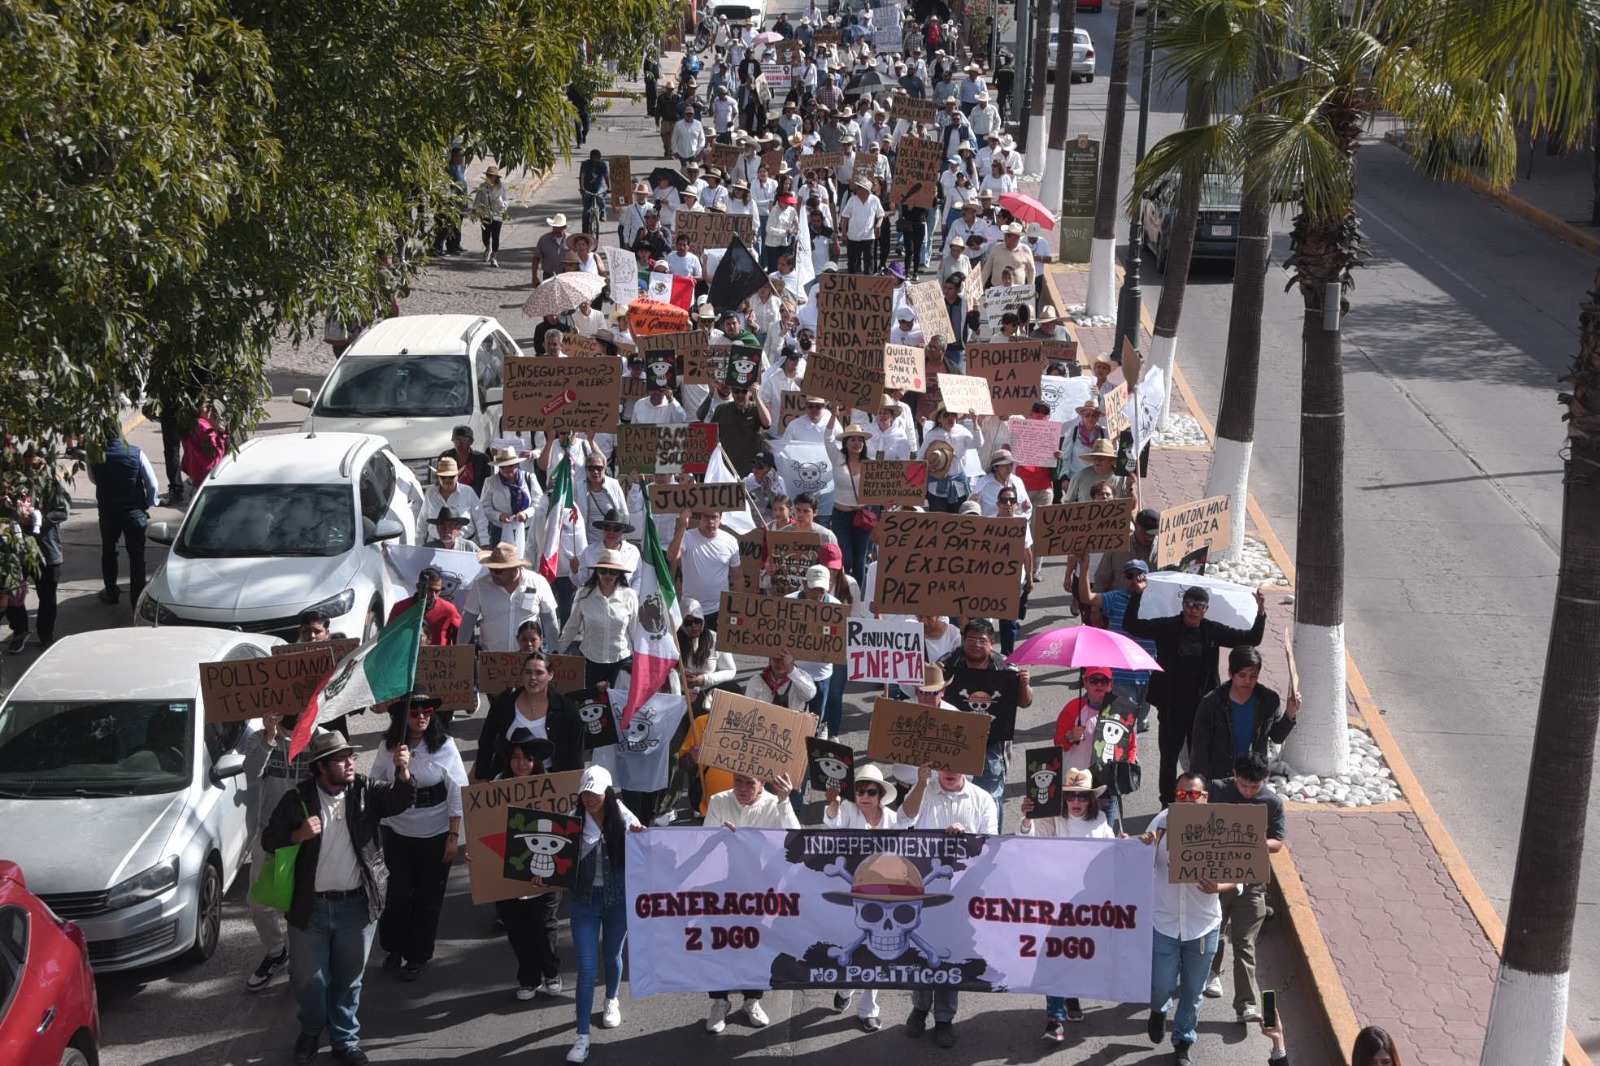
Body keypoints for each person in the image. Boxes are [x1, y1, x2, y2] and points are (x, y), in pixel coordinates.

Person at [261, 731, 416, 1066]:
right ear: (320, 767)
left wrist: (403, 773)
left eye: (350, 756)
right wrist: (296, 834)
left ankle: (345, 1039)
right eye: (340, 758)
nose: (350, 763)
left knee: (348, 980)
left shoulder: (366, 790)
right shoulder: (297, 799)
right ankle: (312, 1030)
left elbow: (400, 800)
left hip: (357, 906)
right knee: (308, 980)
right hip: (310, 909)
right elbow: (268, 840)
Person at [1124, 584, 1267, 806]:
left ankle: (1198, 803)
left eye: (1198, 606)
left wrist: (1260, 612)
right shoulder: (1168, 626)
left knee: (1199, 762)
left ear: (1205, 609)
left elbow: (1252, 638)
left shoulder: (1212, 630)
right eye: (1189, 605)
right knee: (1168, 760)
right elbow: (1131, 625)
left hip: (1203, 710)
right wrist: (1137, 594)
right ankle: (1168, 804)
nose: (1193, 610)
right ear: (1183, 606)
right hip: (1171, 708)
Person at [1140, 770, 1237, 1066]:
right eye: (1182, 795)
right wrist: (1144, 846)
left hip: (1202, 926)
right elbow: (1142, 865)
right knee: (1160, 985)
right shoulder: (1161, 823)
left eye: (1194, 794)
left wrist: (1218, 887)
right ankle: (1158, 1009)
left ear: (1205, 797)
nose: (1187, 800)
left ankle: (1183, 1040)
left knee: (1194, 992)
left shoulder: (1220, 827)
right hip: (1164, 923)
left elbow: (1240, 873)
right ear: (1175, 797)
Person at [899, 763, 998, 1048]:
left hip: (961, 893)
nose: (950, 771)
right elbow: (902, 822)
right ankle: (919, 1008)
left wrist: (965, 838)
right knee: (919, 952)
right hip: (923, 891)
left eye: (957, 765)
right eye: (943, 766)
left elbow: (990, 844)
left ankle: (944, 1019)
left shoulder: (983, 799)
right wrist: (919, 784)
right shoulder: (924, 792)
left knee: (948, 955)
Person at [370, 692, 467, 982]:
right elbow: (374, 785)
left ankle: (417, 955)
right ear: (403, 716)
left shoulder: (444, 747)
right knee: (396, 896)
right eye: (415, 712)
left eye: (427, 711)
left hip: (434, 833)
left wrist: (453, 835)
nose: (422, 716)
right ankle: (393, 949)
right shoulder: (388, 748)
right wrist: (400, 770)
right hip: (397, 831)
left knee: (428, 897)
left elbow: (457, 790)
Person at [558, 766, 644, 1063]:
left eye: (594, 793)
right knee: (586, 967)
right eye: (585, 793)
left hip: (617, 902)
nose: (589, 799)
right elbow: (550, 859)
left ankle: (611, 1000)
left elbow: (646, 848)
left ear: (607, 792)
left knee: (612, 955)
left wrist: (639, 835)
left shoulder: (622, 815)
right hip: (584, 904)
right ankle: (582, 1037)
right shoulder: (571, 821)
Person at [1018, 767, 1111, 1038]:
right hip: (1055, 902)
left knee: (1080, 954)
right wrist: (1026, 817)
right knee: (1055, 955)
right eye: (1071, 796)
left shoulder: (1101, 820)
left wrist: (1128, 845)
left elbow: (1112, 855)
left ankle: (1071, 996)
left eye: (1082, 797)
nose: (1077, 802)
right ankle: (1054, 1017)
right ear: (1064, 798)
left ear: (1091, 799)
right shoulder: (1050, 820)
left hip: (1086, 905)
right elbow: (1026, 841)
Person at [704, 771, 799, 1033]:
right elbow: (702, 839)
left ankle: (752, 1000)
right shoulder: (719, 801)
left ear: (762, 785)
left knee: (755, 944)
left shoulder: (774, 804)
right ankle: (719, 1002)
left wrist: (785, 800)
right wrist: (719, 836)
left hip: (759, 890)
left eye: (749, 783)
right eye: (738, 781)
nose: (742, 788)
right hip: (722, 888)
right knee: (720, 943)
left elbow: (795, 837)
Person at [476, 728, 566, 1000]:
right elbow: (481, 829)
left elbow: (565, 829)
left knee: (544, 925)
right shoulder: (494, 788)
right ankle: (528, 977)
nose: (521, 763)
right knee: (516, 928)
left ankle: (551, 971)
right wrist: (476, 858)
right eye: (515, 757)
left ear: (536, 761)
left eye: (527, 758)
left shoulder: (551, 789)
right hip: (507, 875)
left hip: (545, 873)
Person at [240, 710, 322, 993]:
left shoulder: (319, 736)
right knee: (259, 903)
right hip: (271, 834)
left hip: (309, 833)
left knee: (307, 900)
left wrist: (310, 738)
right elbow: (251, 774)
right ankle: (277, 952)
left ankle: (309, 959)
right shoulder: (258, 739)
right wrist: (270, 737)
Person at [1203, 752, 1287, 1022]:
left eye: (1255, 786)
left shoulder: (1272, 803)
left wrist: (1254, 841)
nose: (1249, 791)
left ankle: (1245, 1005)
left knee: (1245, 942)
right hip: (1217, 875)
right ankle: (1211, 974)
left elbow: (1277, 843)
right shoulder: (1216, 789)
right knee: (1214, 931)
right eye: (1243, 785)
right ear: (1234, 776)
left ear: (1265, 781)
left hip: (1251, 882)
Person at [821, 763, 900, 1031]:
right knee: (851, 946)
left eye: (870, 792)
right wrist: (833, 803)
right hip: (850, 891)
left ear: (880, 795)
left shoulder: (891, 819)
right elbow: (832, 823)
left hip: (884, 895)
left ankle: (869, 1009)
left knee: (878, 951)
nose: (864, 797)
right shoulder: (848, 810)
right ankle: (845, 989)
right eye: (860, 791)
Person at [939, 619, 1033, 826]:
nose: (976, 644)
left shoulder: (1007, 667)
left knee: (989, 800)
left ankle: (991, 847)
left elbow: (1025, 702)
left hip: (992, 746)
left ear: (992, 642)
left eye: (982, 640)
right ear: (963, 641)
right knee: (953, 796)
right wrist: (934, 675)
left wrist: (1024, 684)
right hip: (954, 743)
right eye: (971, 639)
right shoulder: (946, 663)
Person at [1190, 646, 1301, 783]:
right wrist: (1200, 784)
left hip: (1254, 777)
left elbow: (1277, 737)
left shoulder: (1268, 700)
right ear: (1231, 674)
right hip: (1220, 778)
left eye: (1253, 676)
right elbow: (1199, 750)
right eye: (1242, 676)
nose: (1248, 681)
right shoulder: (1212, 703)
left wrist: (1290, 713)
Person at [473, 652, 584, 780]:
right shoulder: (505, 701)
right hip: (507, 779)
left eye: (539, 673)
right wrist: (482, 776)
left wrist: (574, 787)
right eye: (527, 672)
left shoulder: (567, 710)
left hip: (552, 783)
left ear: (550, 675)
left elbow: (576, 753)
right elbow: (487, 740)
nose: (532, 677)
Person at [5, 450, 69, 651]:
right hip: (19, 551)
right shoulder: (17, 487)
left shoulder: (52, 485)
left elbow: (62, 511)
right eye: (28, 466)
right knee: (12, 595)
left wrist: (37, 520)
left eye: (37, 465)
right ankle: (20, 631)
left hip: (47, 552)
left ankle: (45, 634)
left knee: (47, 598)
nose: (32, 470)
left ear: (45, 464)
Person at [88, 433, 158, 606]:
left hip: (108, 511)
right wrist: (149, 503)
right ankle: (137, 600)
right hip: (134, 512)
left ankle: (111, 592)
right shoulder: (136, 453)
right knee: (137, 557)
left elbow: (93, 479)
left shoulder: (94, 455)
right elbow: (153, 484)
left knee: (109, 551)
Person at [559, 549, 639, 688]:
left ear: (619, 574)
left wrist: (641, 660)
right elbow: (571, 628)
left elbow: (634, 631)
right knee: (591, 705)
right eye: (603, 570)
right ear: (596, 571)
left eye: (612, 572)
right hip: (591, 661)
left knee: (618, 706)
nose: (607, 575)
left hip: (621, 661)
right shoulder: (583, 594)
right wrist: (556, 654)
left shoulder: (630, 595)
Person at [460, 543, 560, 652]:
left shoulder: (538, 582)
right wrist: (460, 652)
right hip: (492, 659)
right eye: (490, 569)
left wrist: (554, 652)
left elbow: (549, 621)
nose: (493, 574)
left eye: (498, 571)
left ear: (514, 568)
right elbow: (467, 623)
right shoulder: (480, 586)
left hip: (528, 658)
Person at [668, 510, 740, 631]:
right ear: (700, 517)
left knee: (716, 649)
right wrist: (681, 528)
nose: (710, 521)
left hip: (719, 611)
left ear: (720, 518)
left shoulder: (730, 541)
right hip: (690, 610)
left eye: (714, 517)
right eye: (706, 517)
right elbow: (671, 556)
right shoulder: (687, 537)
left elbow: (738, 577)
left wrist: (738, 607)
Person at [826, 424, 873, 586]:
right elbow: (828, 437)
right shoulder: (838, 459)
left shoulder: (871, 463)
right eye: (852, 439)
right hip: (841, 517)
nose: (857, 443)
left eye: (860, 440)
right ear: (846, 443)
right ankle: (843, 593)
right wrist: (833, 414)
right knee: (846, 559)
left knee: (860, 561)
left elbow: (881, 488)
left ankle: (858, 599)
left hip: (863, 517)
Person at [480, 448, 545, 557]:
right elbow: (484, 507)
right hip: (500, 531)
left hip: (527, 530)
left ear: (517, 464)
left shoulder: (529, 478)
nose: (506, 469)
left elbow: (539, 502)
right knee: (501, 564)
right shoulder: (490, 481)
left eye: (510, 466)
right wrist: (499, 516)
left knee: (527, 560)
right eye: (502, 466)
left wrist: (526, 513)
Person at [389, 567, 461, 647]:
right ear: (418, 587)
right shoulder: (400, 608)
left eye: (437, 591)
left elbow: (461, 638)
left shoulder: (448, 609)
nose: (433, 595)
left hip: (438, 658)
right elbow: (388, 638)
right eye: (429, 590)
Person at [472, 166, 509, 267]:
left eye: (492, 176)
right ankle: (487, 248)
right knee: (485, 236)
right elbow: (478, 199)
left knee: (496, 237)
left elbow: (506, 202)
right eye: (488, 175)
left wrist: (501, 204)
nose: (490, 177)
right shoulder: (483, 187)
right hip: (485, 215)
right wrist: (474, 211)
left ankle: (494, 257)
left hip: (497, 215)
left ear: (496, 177)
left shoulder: (501, 188)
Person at [439, 425, 492, 491]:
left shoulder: (483, 459)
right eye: (456, 440)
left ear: (471, 441)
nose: (458, 444)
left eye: (462, 441)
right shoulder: (445, 457)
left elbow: (488, 486)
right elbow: (439, 482)